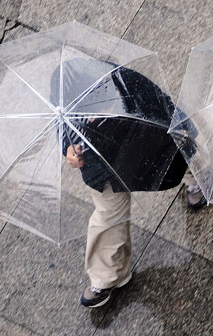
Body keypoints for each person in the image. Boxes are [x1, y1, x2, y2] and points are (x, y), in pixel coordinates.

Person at [57, 59, 187, 308]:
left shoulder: (126, 83)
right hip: (100, 165)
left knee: (178, 158)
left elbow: (165, 113)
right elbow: (61, 125)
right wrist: (68, 149)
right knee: (107, 216)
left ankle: (197, 177)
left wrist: (183, 131)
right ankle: (107, 277)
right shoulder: (64, 85)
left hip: (141, 142)